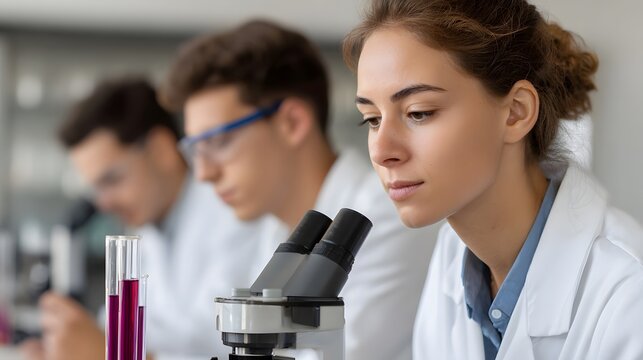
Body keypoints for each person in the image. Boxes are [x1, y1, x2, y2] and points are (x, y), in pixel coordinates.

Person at [343, 0, 643, 358]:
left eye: (419, 113)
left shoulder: (628, 292)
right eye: (372, 119)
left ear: (516, 113)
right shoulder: (452, 257)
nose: (381, 151)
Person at [161, 20, 436, 360]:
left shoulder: (384, 216)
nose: (204, 174)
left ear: (292, 123)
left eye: (218, 142)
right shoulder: (274, 227)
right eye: (196, 150)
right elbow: (203, 340)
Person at [21, 77, 270, 360]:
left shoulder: (231, 211)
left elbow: (219, 347)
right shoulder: (149, 229)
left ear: (161, 150)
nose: (103, 203)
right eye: (96, 188)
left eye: (111, 180)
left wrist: (102, 354)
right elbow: (120, 331)